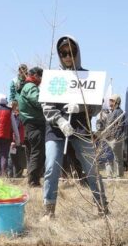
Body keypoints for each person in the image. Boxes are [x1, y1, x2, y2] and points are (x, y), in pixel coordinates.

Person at [40, 35, 108, 219]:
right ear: (59, 55)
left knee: (91, 167)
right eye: (63, 53)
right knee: (51, 167)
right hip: (55, 130)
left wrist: (82, 106)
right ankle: (49, 209)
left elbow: (97, 105)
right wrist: (60, 120)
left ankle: (102, 206)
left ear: (77, 53)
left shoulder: (87, 76)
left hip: (81, 127)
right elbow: (46, 105)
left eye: (71, 52)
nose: (68, 56)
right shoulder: (53, 77)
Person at [18, 66, 46, 186]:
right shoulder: (31, 87)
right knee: (37, 152)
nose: (42, 80)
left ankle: (34, 179)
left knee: (34, 152)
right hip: (35, 123)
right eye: (41, 77)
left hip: (30, 124)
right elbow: (38, 100)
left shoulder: (27, 86)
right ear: (36, 76)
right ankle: (33, 181)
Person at [96, 93, 127, 177]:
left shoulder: (119, 112)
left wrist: (116, 138)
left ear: (117, 102)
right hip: (108, 139)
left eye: (112, 101)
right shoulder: (110, 113)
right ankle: (109, 175)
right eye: (110, 100)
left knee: (117, 158)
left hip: (115, 139)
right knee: (108, 158)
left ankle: (119, 176)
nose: (110, 103)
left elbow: (120, 126)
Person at [8, 100, 27, 177]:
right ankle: (15, 175)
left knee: (13, 158)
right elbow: (15, 129)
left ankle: (14, 175)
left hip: (16, 140)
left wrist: (14, 141)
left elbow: (15, 129)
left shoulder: (17, 116)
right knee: (14, 158)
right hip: (17, 140)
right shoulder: (17, 116)